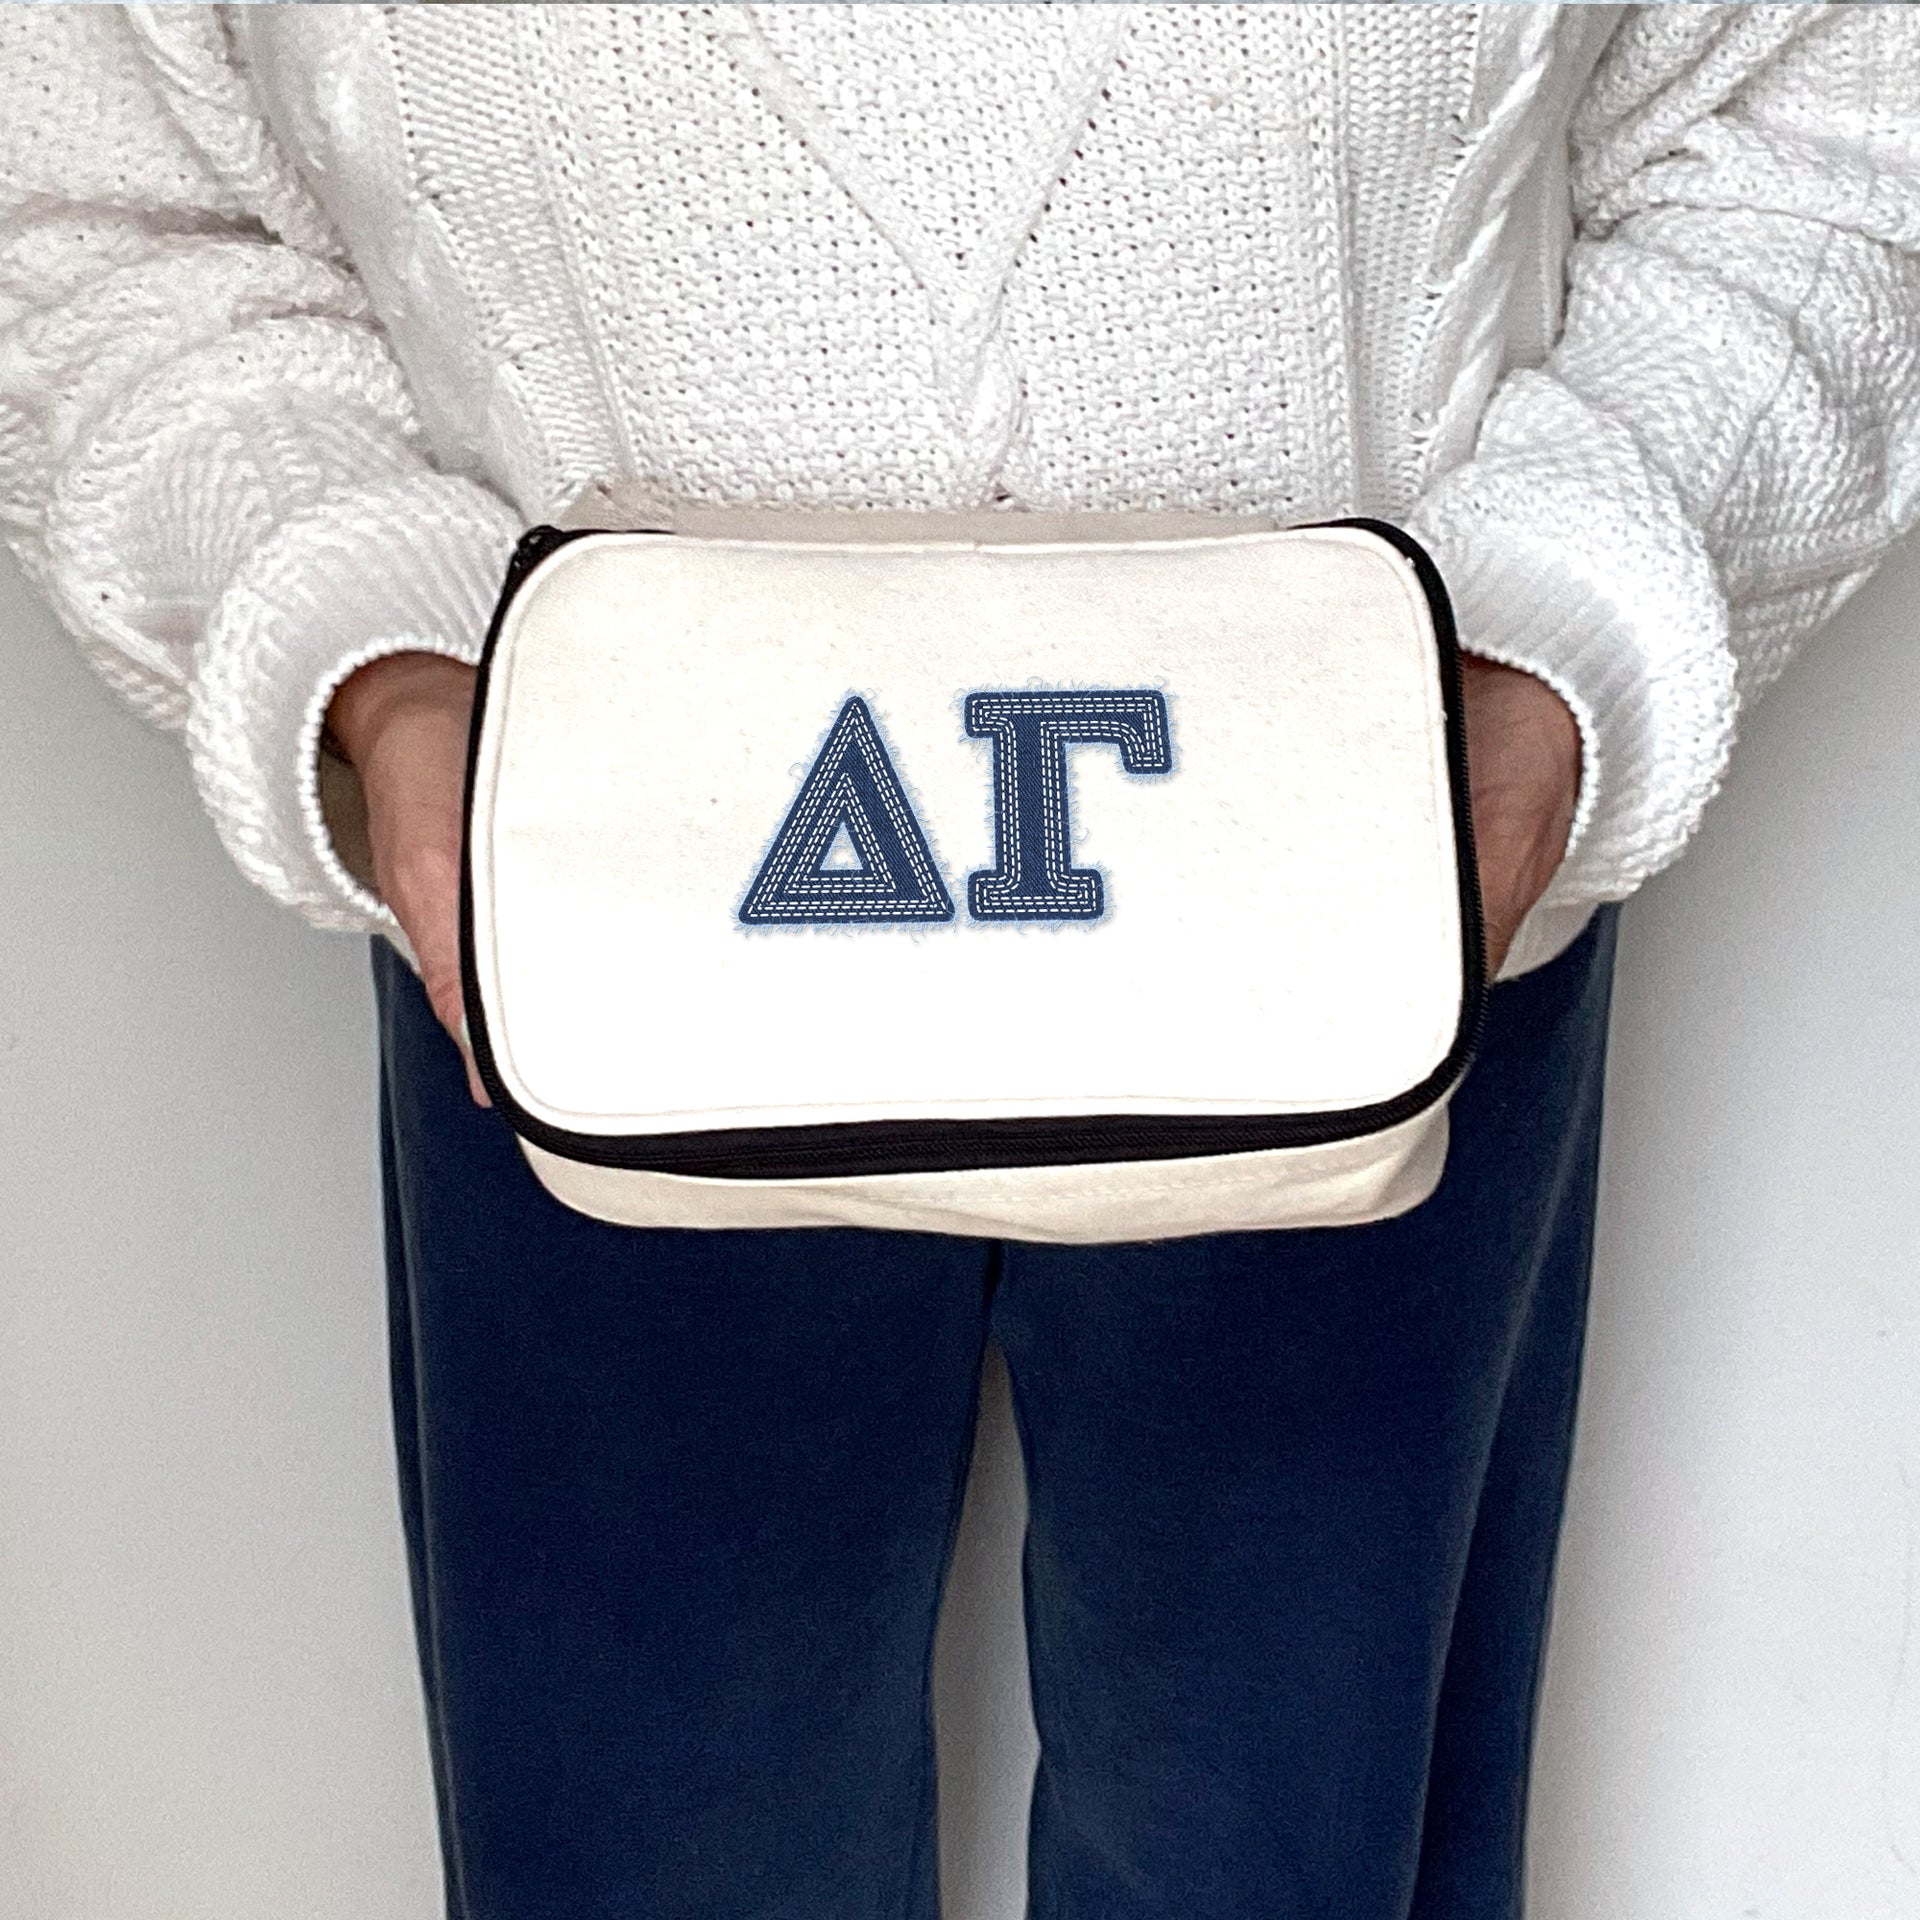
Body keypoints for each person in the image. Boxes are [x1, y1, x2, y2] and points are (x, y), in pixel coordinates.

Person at [4, 4, 1915, 1915]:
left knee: (1295, 1854)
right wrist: (375, 654)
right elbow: (95, 199)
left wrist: (1558, 642)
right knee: (650, 1853)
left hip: (1382, 878)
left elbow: (1839, 101)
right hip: (585, 915)